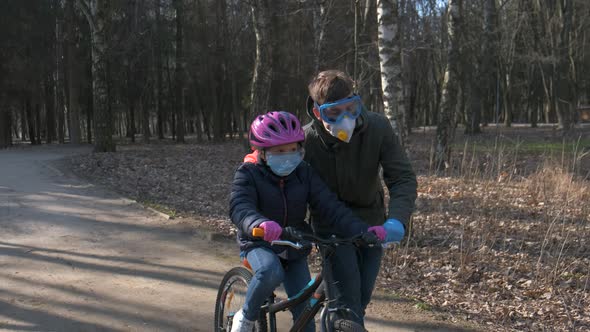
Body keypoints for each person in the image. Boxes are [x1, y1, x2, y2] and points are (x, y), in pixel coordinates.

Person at [244, 70, 417, 326]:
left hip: (372, 225)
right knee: (347, 307)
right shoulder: (306, 141)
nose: (346, 118)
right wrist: (253, 162)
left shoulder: (378, 128)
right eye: (334, 113)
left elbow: (402, 177)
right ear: (317, 112)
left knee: (359, 301)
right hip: (330, 228)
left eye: (352, 107)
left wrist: (397, 221)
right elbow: (274, 163)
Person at [229, 111, 386, 332]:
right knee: (270, 272)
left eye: (293, 149)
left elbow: (330, 206)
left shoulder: (304, 173)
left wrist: (363, 230)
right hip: (259, 242)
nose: (288, 155)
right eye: (280, 151)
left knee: (305, 315)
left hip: (294, 245)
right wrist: (259, 224)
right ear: (262, 153)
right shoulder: (248, 173)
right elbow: (240, 207)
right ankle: (246, 316)